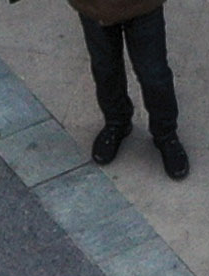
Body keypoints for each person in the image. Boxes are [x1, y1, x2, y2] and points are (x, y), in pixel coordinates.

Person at [50, 0, 187, 175]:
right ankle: (117, 123)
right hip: (94, 8)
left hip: (144, 6)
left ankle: (166, 134)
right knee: (105, 69)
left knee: (154, 75)